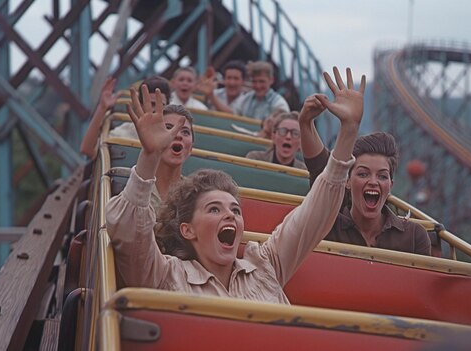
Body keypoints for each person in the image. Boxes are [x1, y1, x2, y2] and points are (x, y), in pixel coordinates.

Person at [106, 67, 365, 302]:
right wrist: (149, 156)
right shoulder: (165, 275)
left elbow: (313, 215)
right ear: (187, 230)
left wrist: (348, 133)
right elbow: (129, 233)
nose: (230, 214)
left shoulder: (265, 265)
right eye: (214, 209)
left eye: (236, 210)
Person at [299, 94, 431, 256]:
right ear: (346, 181)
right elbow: (319, 167)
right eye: (363, 174)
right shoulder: (328, 226)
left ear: (390, 185)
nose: (373, 182)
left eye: (382, 176)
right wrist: (305, 123)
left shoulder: (414, 236)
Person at [109, 75, 172, 140]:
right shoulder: (121, 133)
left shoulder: (172, 137)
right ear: (140, 105)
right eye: (152, 104)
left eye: (161, 106)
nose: (156, 110)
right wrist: (102, 108)